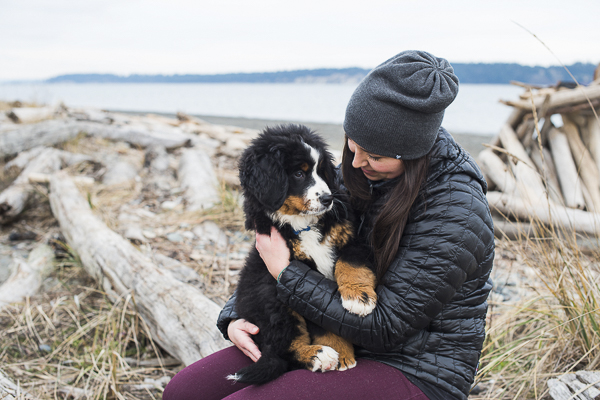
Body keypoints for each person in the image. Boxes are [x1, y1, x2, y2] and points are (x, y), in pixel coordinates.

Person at [163, 50, 495, 400]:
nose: (357, 160)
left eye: (376, 156)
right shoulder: (354, 174)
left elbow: (386, 327)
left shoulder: (456, 212)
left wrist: (286, 275)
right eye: (353, 141)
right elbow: (285, 245)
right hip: (325, 329)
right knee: (184, 391)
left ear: (412, 153)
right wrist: (233, 316)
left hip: (413, 367)